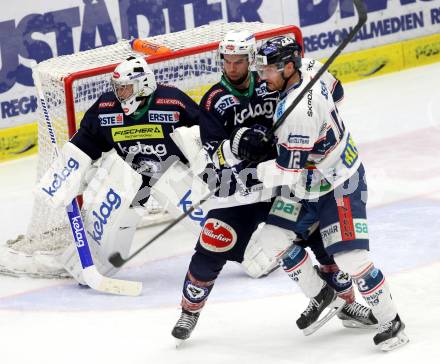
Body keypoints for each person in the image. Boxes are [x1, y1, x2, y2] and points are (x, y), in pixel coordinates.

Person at [171, 31, 376, 343]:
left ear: (251, 59)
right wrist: (239, 144)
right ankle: (190, 309)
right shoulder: (214, 100)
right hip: (242, 188)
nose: (232, 67)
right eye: (227, 61)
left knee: (324, 239)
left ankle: (345, 304)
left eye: (239, 60)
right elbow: (211, 151)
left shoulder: (273, 80)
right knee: (214, 239)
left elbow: (325, 95)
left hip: (288, 182)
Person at [244, 35, 409, 351]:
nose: (261, 76)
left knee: (351, 257)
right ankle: (323, 295)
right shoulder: (311, 66)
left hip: (339, 183)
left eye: (267, 70)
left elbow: (287, 172)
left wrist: (255, 167)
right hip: (309, 181)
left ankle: (392, 322)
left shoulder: (298, 114)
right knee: (272, 238)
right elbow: (339, 92)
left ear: (289, 66)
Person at [35, 55, 205, 282]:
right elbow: (87, 140)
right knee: (112, 191)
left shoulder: (172, 102)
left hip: (173, 173)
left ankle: (240, 244)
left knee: (204, 216)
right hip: (132, 177)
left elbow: (206, 131)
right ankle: (90, 262)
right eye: (117, 88)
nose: (120, 94)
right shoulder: (106, 108)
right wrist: (66, 173)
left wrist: (205, 165)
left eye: (125, 88)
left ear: (143, 85)